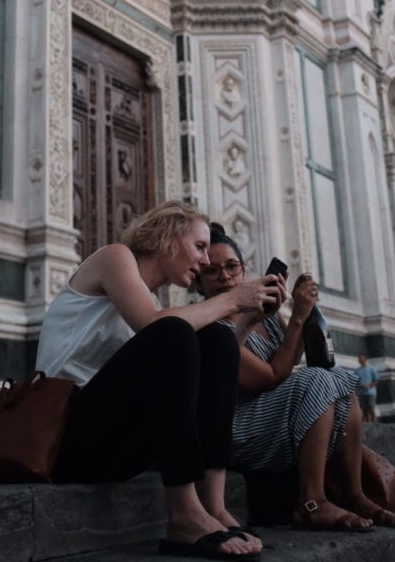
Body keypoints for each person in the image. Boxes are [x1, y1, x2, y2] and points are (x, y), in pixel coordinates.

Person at [36, 201, 280, 560]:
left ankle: (213, 506)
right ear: (167, 235)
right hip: (65, 438)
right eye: (200, 246)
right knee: (174, 332)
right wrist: (231, 299)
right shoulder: (114, 257)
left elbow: (199, 357)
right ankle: (184, 516)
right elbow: (155, 325)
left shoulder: (151, 301)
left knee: (216, 338)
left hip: (118, 446)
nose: (206, 261)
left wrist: (243, 318)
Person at [197, 225, 395, 532]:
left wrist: (299, 312)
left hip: (274, 414)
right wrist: (296, 317)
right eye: (212, 271)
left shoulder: (264, 315)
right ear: (198, 282)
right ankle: (311, 503)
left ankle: (355, 495)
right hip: (236, 426)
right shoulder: (210, 327)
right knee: (317, 380)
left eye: (232, 266)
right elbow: (269, 378)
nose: (225, 277)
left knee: (340, 380)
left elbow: (291, 357)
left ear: (243, 270)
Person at [355, 354, 378, 422]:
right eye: (359, 358)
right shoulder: (357, 371)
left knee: (371, 408)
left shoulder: (371, 369)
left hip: (371, 393)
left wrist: (369, 385)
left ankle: (375, 423)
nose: (359, 360)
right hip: (361, 393)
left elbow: (376, 381)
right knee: (363, 409)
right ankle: (368, 424)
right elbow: (355, 381)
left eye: (360, 358)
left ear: (365, 359)